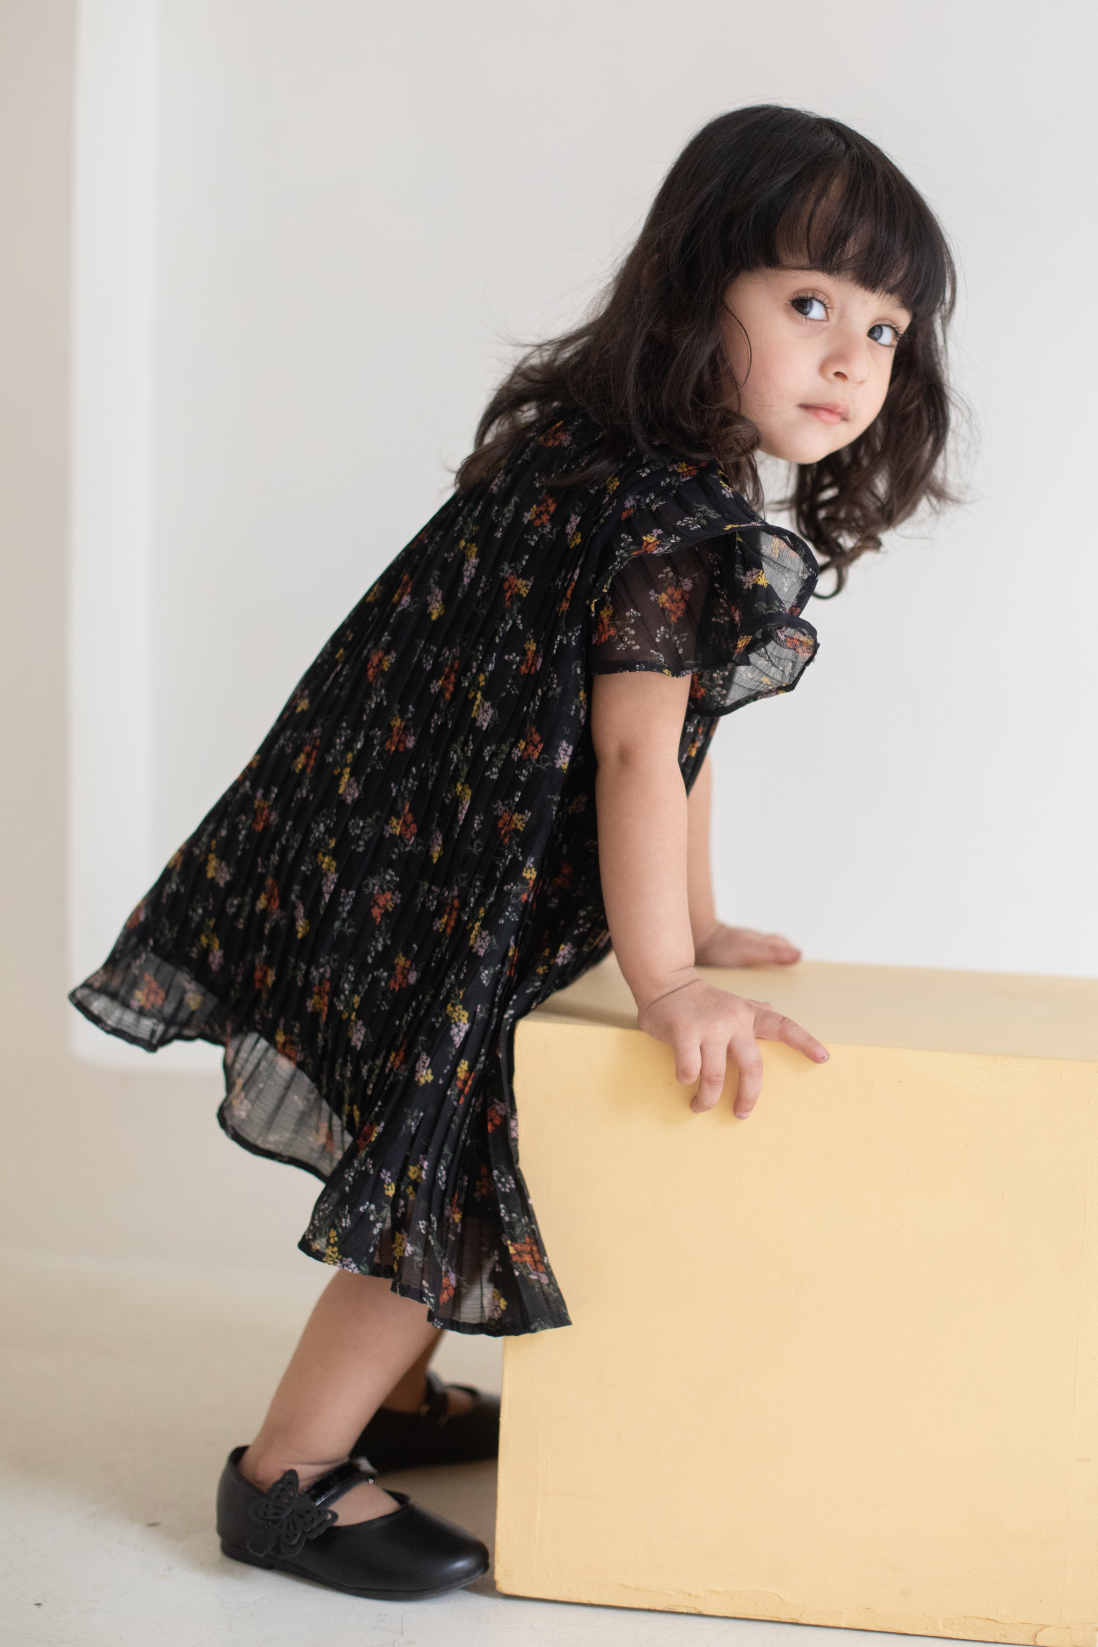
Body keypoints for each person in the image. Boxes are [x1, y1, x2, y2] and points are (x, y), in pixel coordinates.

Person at [70, 104, 956, 1601]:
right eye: (808, 302)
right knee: (447, 1165)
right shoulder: (665, 517)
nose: (849, 358)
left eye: (884, 326)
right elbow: (630, 750)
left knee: (439, 1128)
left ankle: (400, 1401)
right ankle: (286, 1475)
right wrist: (666, 981)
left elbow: (676, 739)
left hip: (381, 837)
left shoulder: (598, 453)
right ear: (697, 291)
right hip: (435, 865)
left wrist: (698, 917)